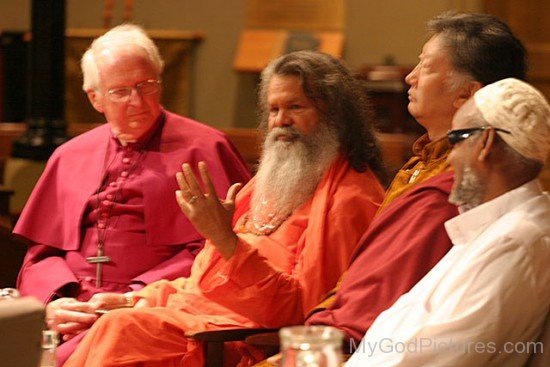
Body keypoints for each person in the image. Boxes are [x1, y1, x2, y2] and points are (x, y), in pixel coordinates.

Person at [63, 50, 386, 367]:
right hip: (198, 323)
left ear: (334, 114)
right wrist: (136, 299)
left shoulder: (349, 199)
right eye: (273, 109)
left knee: (123, 330)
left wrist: (225, 238)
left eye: (295, 107)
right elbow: (201, 285)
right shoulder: (270, 182)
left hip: (239, 344)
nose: (280, 121)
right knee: (115, 322)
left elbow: (307, 312)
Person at [12, 24, 251, 364]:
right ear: (95, 98)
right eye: (121, 91)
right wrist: (52, 303)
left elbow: (221, 248)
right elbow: (41, 253)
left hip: (158, 311)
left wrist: (137, 295)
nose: (137, 101)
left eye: (146, 86)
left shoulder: (205, 147)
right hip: (73, 314)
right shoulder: (70, 155)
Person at [304, 11, 528, 344]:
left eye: (425, 66)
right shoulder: (420, 164)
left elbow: (388, 292)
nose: (410, 77)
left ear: (467, 94)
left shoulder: (458, 186)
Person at [346, 78, 550, 367]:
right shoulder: (494, 228)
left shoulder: (516, 241)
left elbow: (439, 359)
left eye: (455, 140)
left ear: (486, 143)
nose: (451, 157)